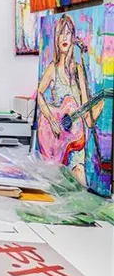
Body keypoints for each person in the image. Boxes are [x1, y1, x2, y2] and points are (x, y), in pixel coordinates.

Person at [36, 14, 104, 185]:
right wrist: (51, 119)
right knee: (57, 183)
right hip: (58, 138)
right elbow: (39, 94)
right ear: (56, 38)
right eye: (61, 33)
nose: (64, 38)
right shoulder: (52, 68)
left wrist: (101, 105)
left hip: (77, 138)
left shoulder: (78, 70)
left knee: (80, 176)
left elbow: (87, 118)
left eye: (68, 33)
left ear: (73, 37)